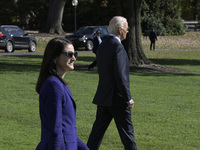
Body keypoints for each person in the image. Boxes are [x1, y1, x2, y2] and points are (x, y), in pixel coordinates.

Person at [87, 16, 138, 150]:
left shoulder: (102, 45)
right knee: (128, 136)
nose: (127, 31)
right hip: (118, 99)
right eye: (126, 29)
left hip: (103, 97)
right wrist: (128, 99)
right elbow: (121, 77)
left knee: (96, 135)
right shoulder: (118, 47)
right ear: (120, 30)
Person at [35, 38, 89, 150]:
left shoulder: (59, 83)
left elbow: (67, 129)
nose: (73, 58)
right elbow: (55, 129)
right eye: (69, 54)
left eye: (75, 54)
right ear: (55, 57)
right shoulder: (53, 86)